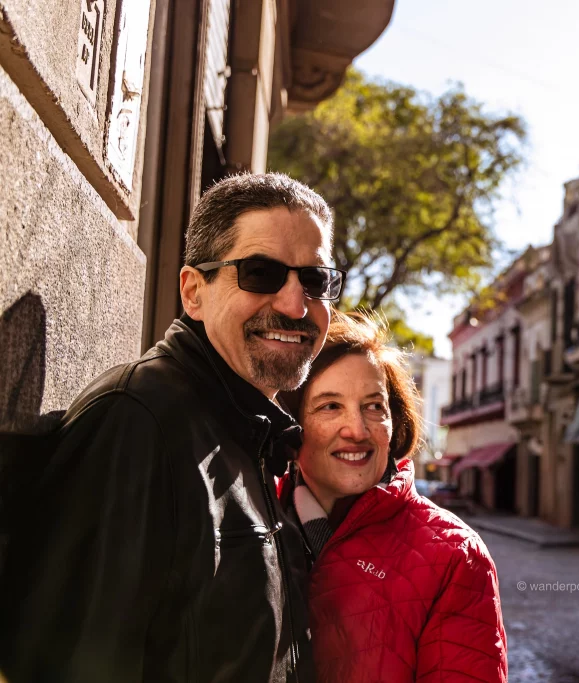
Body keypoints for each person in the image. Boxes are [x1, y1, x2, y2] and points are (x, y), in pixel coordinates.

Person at [0, 173, 342, 682]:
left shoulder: (251, 434)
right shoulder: (137, 420)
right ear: (193, 292)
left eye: (314, 280)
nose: (296, 305)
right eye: (260, 273)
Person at [279, 313, 507, 683]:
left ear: (394, 422)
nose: (357, 430)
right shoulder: (250, 518)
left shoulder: (454, 556)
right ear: (292, 425)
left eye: (374, 406)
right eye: (330, 406)